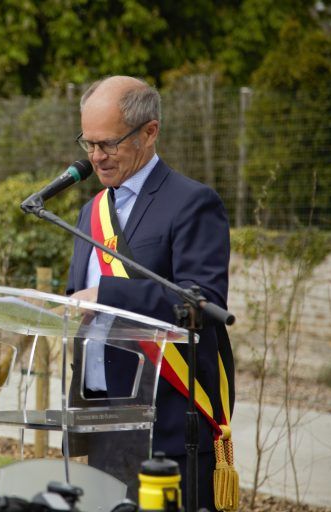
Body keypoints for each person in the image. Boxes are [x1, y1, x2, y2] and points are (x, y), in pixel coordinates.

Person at [65, 76, 235, 511]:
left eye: (108, 144)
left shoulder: (192, 202)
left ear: (149, 132)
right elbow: (81, 303)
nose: (96, 157)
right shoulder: (91, 210)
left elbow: (203, 302)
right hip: (104, 416)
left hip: (169, 421)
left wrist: (105, 293)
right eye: (88, 143)